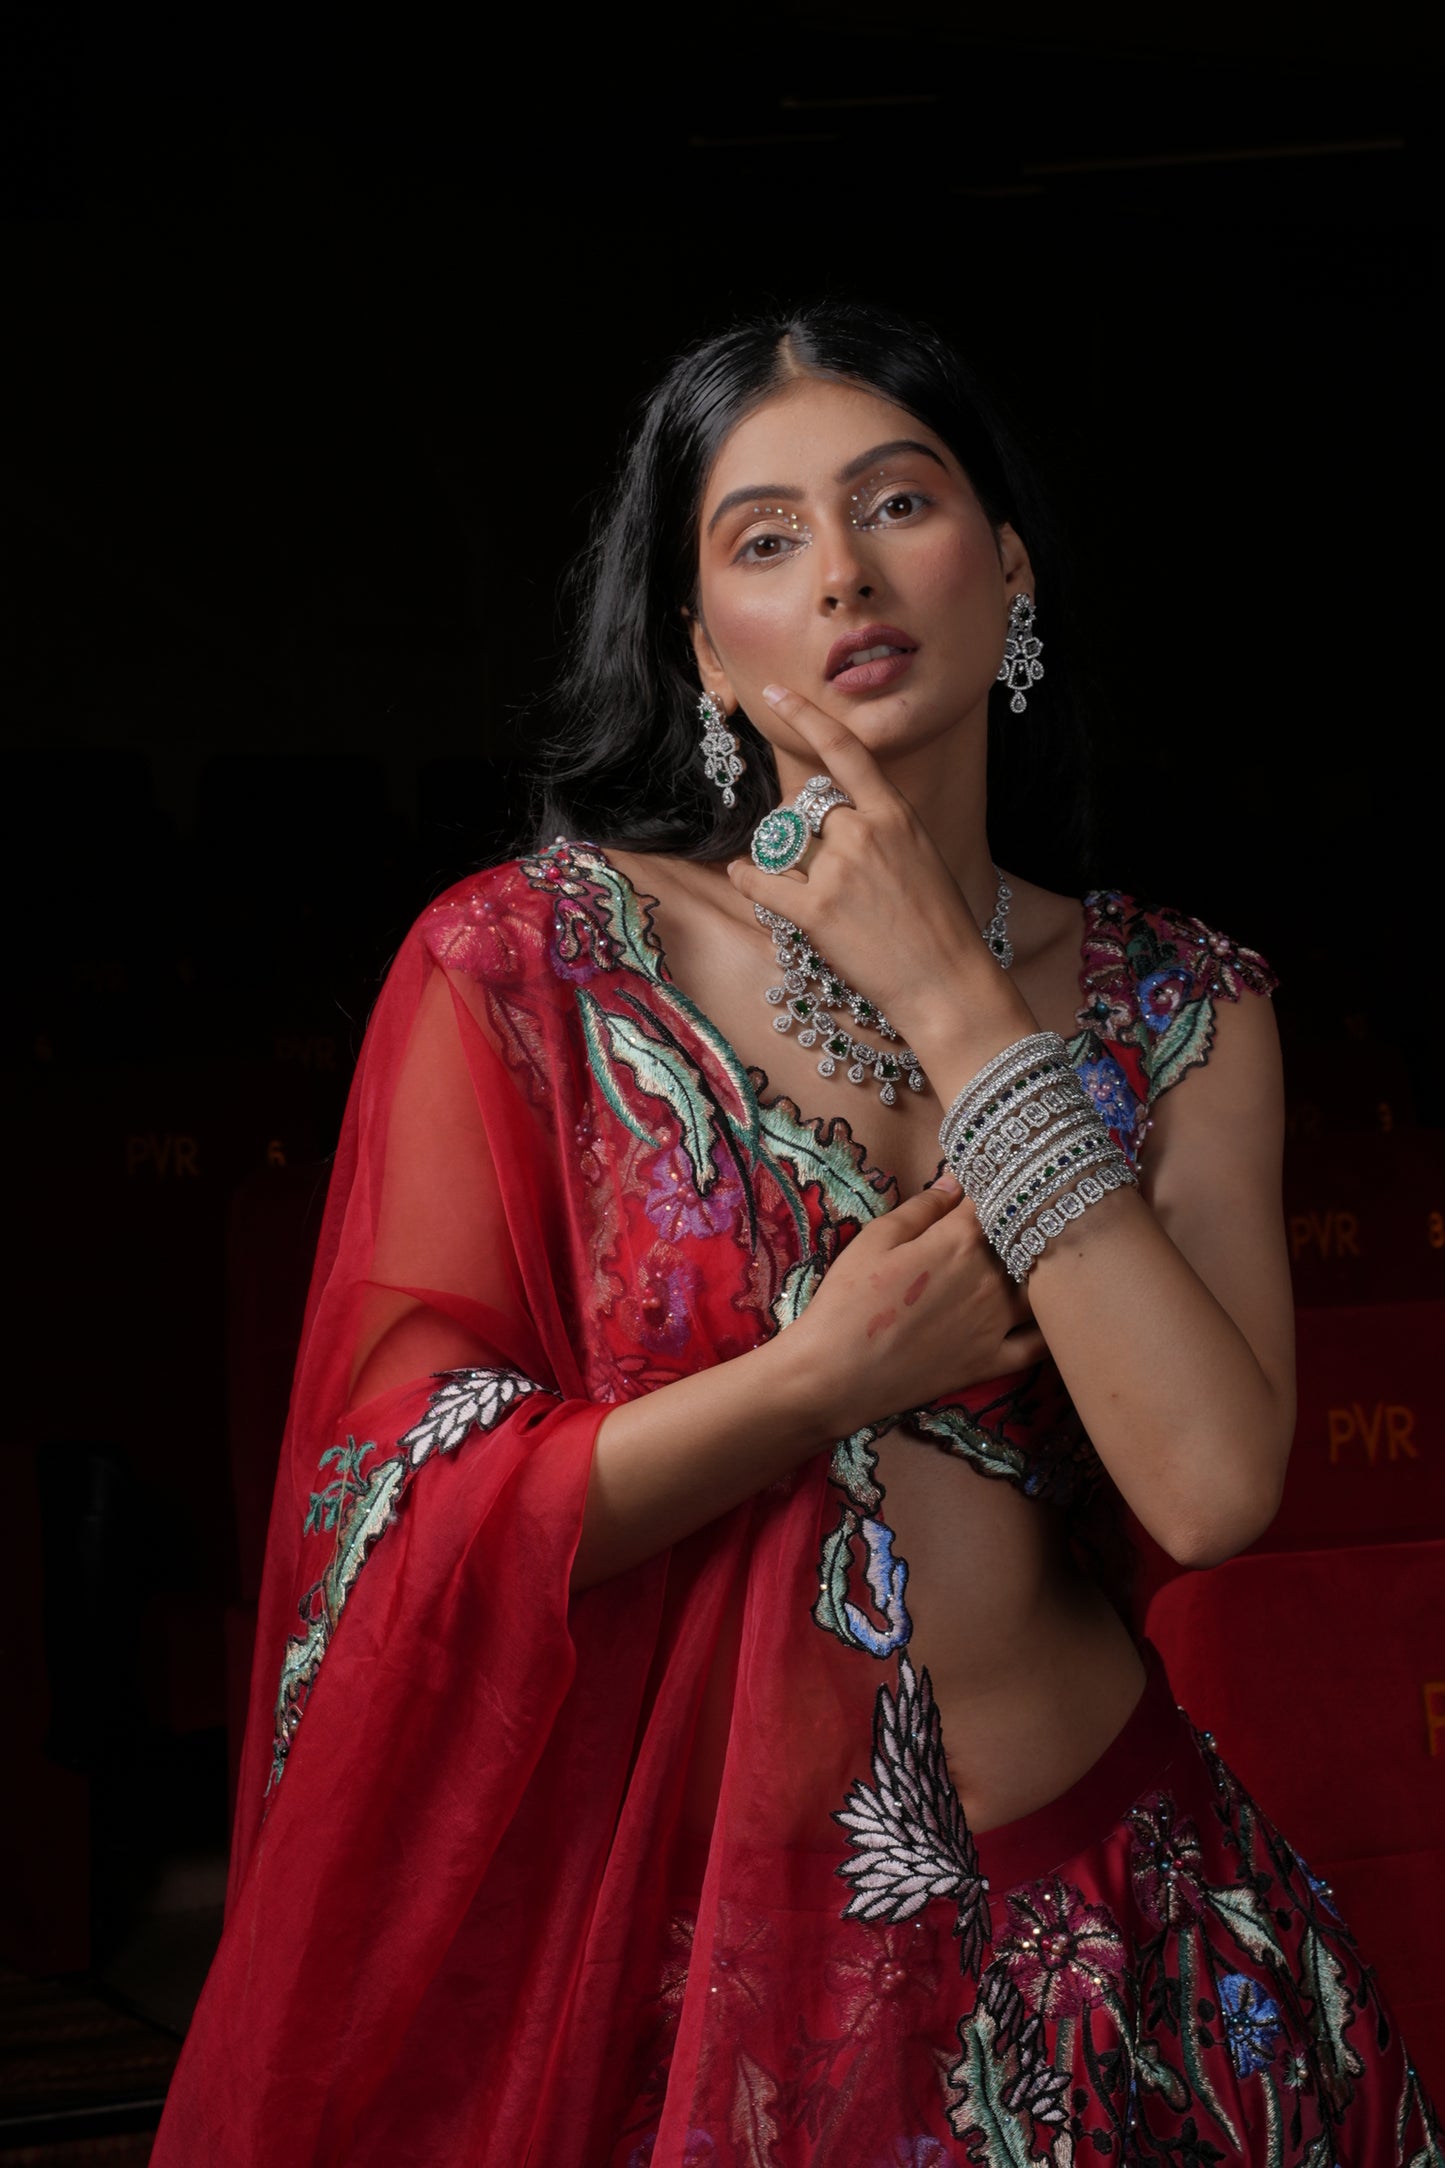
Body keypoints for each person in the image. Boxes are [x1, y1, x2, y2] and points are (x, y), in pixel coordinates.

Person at [152, 301, 1440, 2166]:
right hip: (702, 1993)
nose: (839, 570)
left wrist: (955, 999)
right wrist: (820, 1380)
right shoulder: (530, 971)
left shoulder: (1186, 1004)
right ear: (702, 644)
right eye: (762, 538)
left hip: (1121, 1946)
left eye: (896, 502)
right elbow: (399, 1515)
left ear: (1003, 572)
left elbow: (1211, 1484)